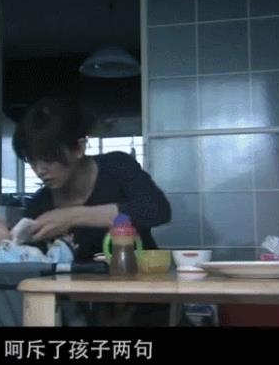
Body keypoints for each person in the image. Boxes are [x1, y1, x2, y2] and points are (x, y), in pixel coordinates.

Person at [12, 97, 172, 326]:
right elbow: (29, 265)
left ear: (79, 147)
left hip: (147, 300)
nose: (39, 170)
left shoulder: (117, 166)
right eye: (32, 160)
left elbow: (157, 209)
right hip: (85, 313)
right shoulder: (39, 205)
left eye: (48, 158)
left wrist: (71, 216)